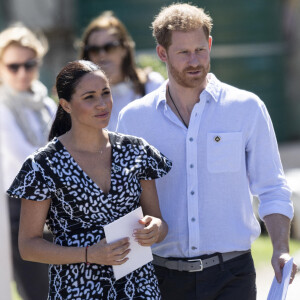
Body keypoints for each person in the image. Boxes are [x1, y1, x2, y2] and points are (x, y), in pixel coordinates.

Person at [116, 3, 297, 299]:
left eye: (200, 50)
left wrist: (280, 248)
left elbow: (273, 187)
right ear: (162, 54)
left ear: (210, 44)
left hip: (232, 275)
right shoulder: (134, 118)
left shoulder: (247, 108)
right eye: (183, 52)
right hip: (162, 277)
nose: (194, 61)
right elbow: (123, 201)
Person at [7, 60, 172, 299]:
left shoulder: (137, 151)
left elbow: (159, 222)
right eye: (90, 97)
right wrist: (89, 254)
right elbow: (28, 246)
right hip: (77, 291)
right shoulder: (42, 165)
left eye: (106, 93)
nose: (102, 104)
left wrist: (155, 229)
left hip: (140, 289)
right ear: (66, 105)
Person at [0, 24, 57, 300]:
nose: (22, 72)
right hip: (18, 213)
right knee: (36, 292)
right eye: (13, 66)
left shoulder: (46, 103)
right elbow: (25, 159)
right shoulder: (1, 107)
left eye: (29, 64)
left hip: (55, 207)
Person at [79, 11, 165, 131]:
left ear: (124, 49)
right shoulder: (79, 100)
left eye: (110, 47)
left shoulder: (152, 86)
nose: (102, 54)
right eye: (94, 49)